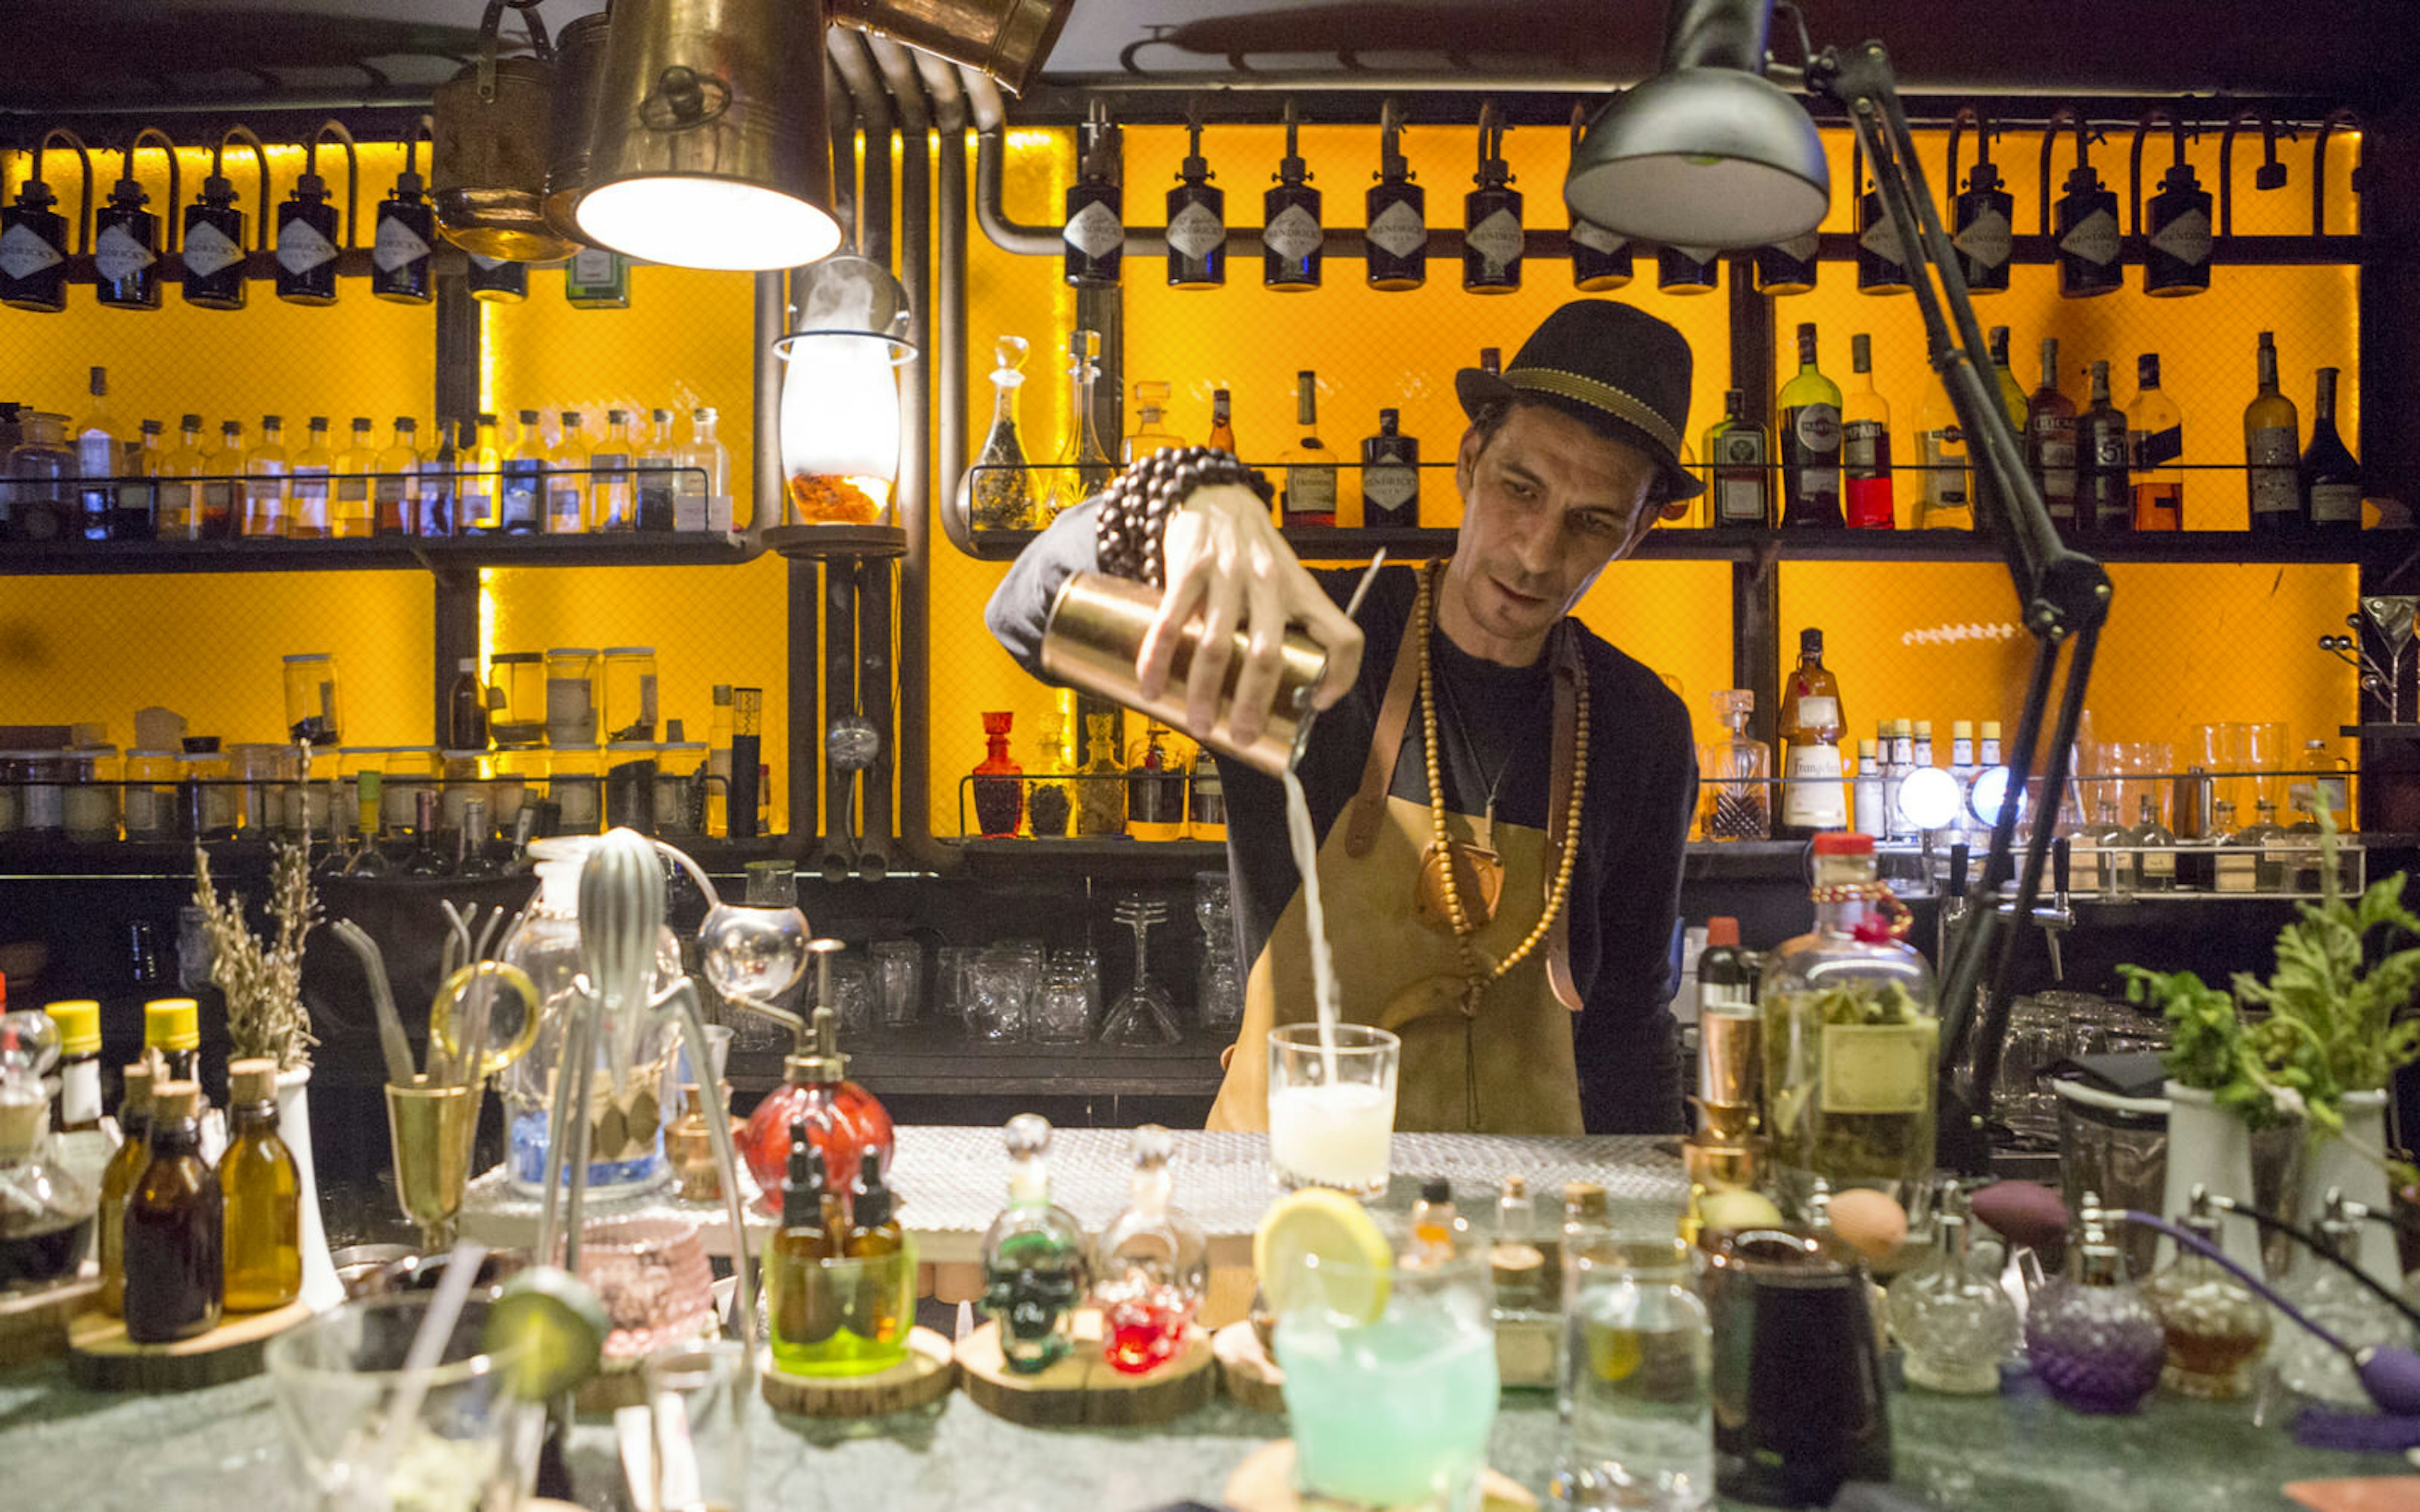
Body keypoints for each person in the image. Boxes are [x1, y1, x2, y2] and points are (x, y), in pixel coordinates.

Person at [987, 300, 1700, 1135]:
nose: (1538, 552)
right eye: (1521, 489)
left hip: (1522, 1221)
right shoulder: (1318, 638)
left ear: (1639, 531)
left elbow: (1627, 1030)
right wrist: (1184, 497)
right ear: (1470, 460)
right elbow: (1026, 614)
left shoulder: (1640, 724)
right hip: (1288, 1196)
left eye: (1591, 523)